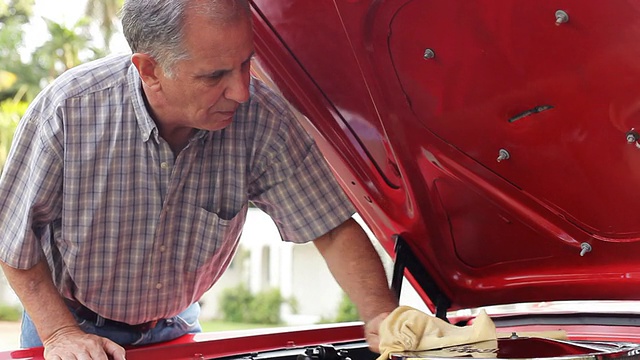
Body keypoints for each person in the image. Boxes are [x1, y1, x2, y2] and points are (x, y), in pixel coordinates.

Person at [0, 0, 398, 359]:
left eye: (246, 63)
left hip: (177, 326)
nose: (241, 92)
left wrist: (382, 315)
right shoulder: (69, 110)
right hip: (71, 326)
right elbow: (12, 236)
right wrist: (59, 332)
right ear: (150, 70)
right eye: (215, 76)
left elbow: (329, 228)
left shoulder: (263, 120)